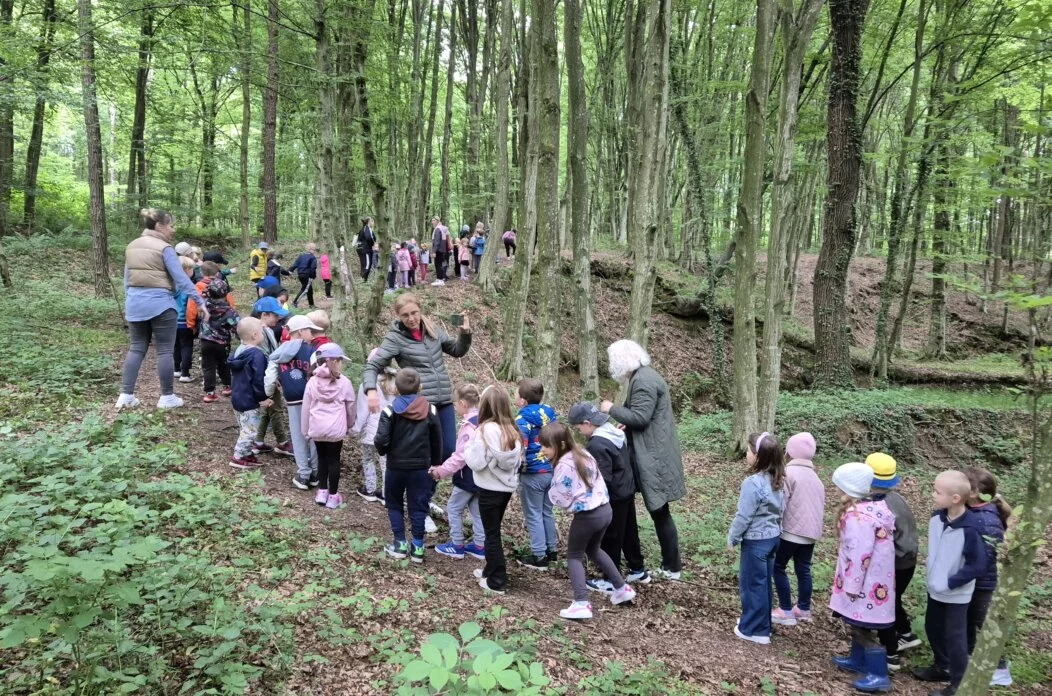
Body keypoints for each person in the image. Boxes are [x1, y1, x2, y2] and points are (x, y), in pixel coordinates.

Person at [362, 293, 472, 527]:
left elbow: (457, 350)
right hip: (421, 405)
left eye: (414, 313)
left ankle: (424, 499)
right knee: (424, 458)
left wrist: (464, 333)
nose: (411, 318)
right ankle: (419, 508)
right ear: (398, 316)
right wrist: (371, 390)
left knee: (447, 453)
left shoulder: (431, 330)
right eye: (405, 315)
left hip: (443, 401)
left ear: (420, 310)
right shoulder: (395, 338)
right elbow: (373, 365)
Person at [600, 339, 686, 581]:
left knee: (659, 510)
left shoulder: (643, 380)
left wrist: (611, 408)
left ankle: (671, 567)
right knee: (657, 510)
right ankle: (663, 564)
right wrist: (626, 422)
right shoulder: (643, 376)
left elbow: (640, 417)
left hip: (653, 455)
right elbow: (642, 415)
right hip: (651, 451)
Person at [542, 422, 637, 620]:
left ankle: (581, 603)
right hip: (605, 510)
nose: (543, 450)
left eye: (546, 446)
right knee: (593, 549)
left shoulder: (564, 465)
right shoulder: (583, 453)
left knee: (574, 556)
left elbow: (560, 496)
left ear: (560, 445)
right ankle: (621, 588)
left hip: (588, 515)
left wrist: (551, 492)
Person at [116, 209, 207, 410]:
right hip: (161, 305)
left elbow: (127, 280)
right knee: (165, 350)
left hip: (135, 303)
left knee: (136, 348)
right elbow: (181, 278)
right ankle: (167, 397)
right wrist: (199, 302)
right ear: (159, 226)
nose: (173, 230)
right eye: (171, 225)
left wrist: (131, 299)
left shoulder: (132, 246)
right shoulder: (165, 248)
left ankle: (126, 395)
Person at [911, 471, 984, 696]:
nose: (933, 495)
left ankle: (959, 684)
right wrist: (935, 579)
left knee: (955, 638)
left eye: (938, 492)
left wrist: (951, 582)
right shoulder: (937, 518)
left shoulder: (970, 528)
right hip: (935, 588)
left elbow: (977, 565)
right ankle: (942, 667)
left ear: (955, 498)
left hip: (956, 594)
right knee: (932, 628)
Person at [568, 402, 650, 592]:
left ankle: (610, 580)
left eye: (578, 427)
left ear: (587, 423)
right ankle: (637, 568)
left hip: (614, 496)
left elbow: (602, 478)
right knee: (629, 532)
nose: (579, 431)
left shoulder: (597, 444)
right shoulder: (614, 432)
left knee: (611, 537)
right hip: (626, 489)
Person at [829, 462, 896, 692]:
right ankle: (857, 659)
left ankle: (878, 674)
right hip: (873, 583)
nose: (836, 490)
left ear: (849, 489)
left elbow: (860, 555)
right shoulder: (874, 509)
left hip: (864, 586)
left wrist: (851, 584)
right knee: (858, 623)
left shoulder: (859, 518)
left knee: (863, 627)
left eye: (839, 487)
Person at [376, 368, 442, 563]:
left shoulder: (389, 411)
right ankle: (418, 548)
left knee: (394, 504)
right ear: (420, 387)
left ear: (396, 389)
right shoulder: (431, 410)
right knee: (418, 506)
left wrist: (384, 451)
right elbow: (437, 440)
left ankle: (399, 544)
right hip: (421, 468)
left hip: (395, 467)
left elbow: (381, 439)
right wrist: (435, 464)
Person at [727, 432, 786, 645]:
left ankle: (753, 629)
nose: (747, 454)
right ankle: (762, 624)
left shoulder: (753, 483)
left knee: (752, 585)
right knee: (764, 584)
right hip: (773, 538)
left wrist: (732, 537)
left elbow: (744, 516)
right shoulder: (778, 479)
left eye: (749, 451)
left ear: (759, 457)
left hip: (756, 542)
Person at [464, 386, 523, 594]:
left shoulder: (485, 429)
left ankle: (497, 580)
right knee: (493, 530)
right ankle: (489, 570)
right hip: (505, 488)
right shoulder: (512, 428)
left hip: (489, 488)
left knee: (491, 534)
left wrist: (467, 448)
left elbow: (477, 462)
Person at [868, 453, 920, 671]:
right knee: (893, 599)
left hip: (894, 561)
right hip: (908, 559)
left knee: (884, 602)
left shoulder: (880, 505)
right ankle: (905, 633)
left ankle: (889, 653)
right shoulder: (897, 498)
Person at [964, 467, 1014, 688]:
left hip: (982, 582)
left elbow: (984, 556)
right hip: (973, 580)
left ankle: (1000, 669)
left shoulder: (986, 519)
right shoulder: (977, 512)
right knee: (968, 619)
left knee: (985, 623)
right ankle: (968, 657)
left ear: (974, 492)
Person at [771, 432, 824, 627]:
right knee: (803, 569)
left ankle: (785, 609)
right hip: (810, 533)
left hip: (791, 531)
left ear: (790, 452)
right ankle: (803, 608)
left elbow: (781, 502)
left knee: (778, 566)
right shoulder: (816, 478)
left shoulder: (788, 474)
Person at [430, 383, 487, 561]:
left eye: (455, 404)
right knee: (477, 511)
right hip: (482, 477)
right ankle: (480, 545)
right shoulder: (484, 420)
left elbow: (460, 457)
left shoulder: (469, 427)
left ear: (463, 403)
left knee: (453, 508)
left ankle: (457, 544)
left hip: (467, 476)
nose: (454, 407)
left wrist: (441, 471)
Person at [266, 314, 323, 490]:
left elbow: (270, 375)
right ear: (301, 332)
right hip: (311, 399)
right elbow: (319, 373)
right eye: (310, 330)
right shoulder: (312, 351)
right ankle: (315, 473)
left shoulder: (279, 352)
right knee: (313, 435)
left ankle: (303, 474)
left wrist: (268, 393)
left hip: (292, 400)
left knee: (298, 436)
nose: (312, 334)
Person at [302, 343, 357, 510]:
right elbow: (351, 407)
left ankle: (322, 492)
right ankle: (333, 496)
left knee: (321, 458)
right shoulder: (345, 383)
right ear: (336, 361)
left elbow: (306, 407)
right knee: (334, 460)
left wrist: (305, 430)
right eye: (340, 361)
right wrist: (349, 424)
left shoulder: (312, 382)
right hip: (335, 430)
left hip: (317, 429)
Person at [514, 378, 558, 570]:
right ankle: (551, 550)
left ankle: (539, 556)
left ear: (522, 400)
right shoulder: (549, 414)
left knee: (533, 513)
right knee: (546, 511)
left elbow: (519, 446)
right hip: (551, 469)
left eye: (516, 393)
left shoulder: (522, 420)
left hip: (532, 473)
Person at [352, 350, 397, 503]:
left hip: (370, 431)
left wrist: (355, 429)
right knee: (386, 463)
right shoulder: (395, 383)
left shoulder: (367, 386)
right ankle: (386, 494)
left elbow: (362, 411)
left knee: (368, 459)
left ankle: (370, 490)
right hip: (389, 431)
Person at [227, 318, 273, 470]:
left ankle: (246, 453)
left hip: (237, 396)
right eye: (262, 332)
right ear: (254, 335)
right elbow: (258, 379)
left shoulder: (238, 352)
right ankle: (238, 456)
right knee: (250, 430)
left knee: (245, 426)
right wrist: (263, 398)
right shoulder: (257, 355)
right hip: (249, 399)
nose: (263, 335)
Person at [251, 297, 293, 458]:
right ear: (264, 315)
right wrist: (273, 377)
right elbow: (266, 358)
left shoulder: (266, 330)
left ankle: (258, 441)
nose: (278, 318)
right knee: (275, 408)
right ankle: (282, 442)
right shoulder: (258, 333)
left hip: (269, 375)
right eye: (275, 315)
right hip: (265, 377)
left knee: (268, 410)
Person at [199, 278, 240, 403]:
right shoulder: (229, 311)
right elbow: (237, 327)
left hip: (206, 341)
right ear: (225, 294)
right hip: (222, 344)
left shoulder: (204, 306)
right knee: (223, 364)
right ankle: (228, 386)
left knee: (208, 367)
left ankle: (210, 393)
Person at [173, 256, 197, 383]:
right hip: (184, 321)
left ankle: (176, 369)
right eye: (192, 268)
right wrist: (193, 323)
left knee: (175, 345)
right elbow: (191, 306)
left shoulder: (170, 284)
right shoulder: (189, 286)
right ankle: (185, 373)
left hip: (172, 320)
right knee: (186, 346)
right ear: (187, 270)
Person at [290, 243, 319, 309]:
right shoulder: (312, 257)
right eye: (314, 250)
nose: (314, 251)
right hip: (307, 275)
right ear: (310, 249)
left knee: (310, 290)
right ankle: (294, 302)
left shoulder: (301, 256)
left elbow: (295, 264)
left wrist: (290, 271)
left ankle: (311, 305)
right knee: (304, 289)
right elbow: (313, 268)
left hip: (300, 274)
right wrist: (313, 276)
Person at [430, 216, 450, 285]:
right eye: (432, 220)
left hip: (438, 250)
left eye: (433, 220)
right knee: (439, 264)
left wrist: (434, 251)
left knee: (438, 265)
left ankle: (440, 280)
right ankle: (438, 279)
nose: (432, 222)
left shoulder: (438, 229)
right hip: (441, 249)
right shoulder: (441, 228)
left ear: (437, 221)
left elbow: (437, 242)